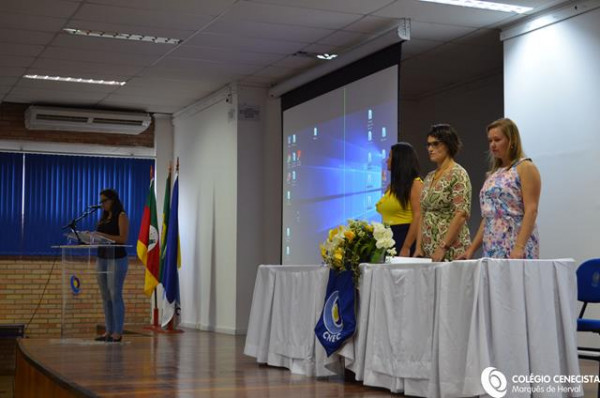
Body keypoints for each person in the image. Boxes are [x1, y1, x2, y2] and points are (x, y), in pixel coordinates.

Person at [461, 118, 541, 259]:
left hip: (516, 241)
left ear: (512, 141)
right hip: (492, 244)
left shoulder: (525, 167)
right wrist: (471, 249)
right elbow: (488, 217)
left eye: (497, 140)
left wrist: (519, 247)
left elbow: (531, 210)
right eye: (490, 141)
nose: (493, 145)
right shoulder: (492, 174)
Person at [415, 124, 471, 261]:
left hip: (451, 249)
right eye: (428, 145)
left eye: (435, 144)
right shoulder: (429, 177)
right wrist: (418, 247)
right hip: (429, 252)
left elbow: (461, 214)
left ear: (448, 145)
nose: (430, 149)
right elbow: (423, 213)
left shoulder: (458, 174)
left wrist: (442, 248)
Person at [94, 189, 129, 342]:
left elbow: (122, 238)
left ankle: (117, 331)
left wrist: (102, 235)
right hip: (102, 257)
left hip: (116, 258)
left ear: (112, 200)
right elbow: (101, 236)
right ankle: (108, 330)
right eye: (100, 201)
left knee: (115, 294)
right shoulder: (103, 217)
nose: (102, 204)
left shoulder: (121, 216)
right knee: (105, 296)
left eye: (104, 201)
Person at [376, 142, 423, 256]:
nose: (387, 160)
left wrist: (406, 246)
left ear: (400, 160)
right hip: (388, 239)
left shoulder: (415, 184)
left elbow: (419, 215)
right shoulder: (390, 187)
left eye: (390, 156)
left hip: (405, 237)